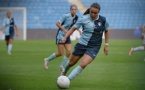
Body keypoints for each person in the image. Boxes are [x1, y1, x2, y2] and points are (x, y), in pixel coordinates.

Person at [61, 2, 109, 80]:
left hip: (94, 47)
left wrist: (106, 44)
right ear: (89, 11)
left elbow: (106, 31)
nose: (93, 14)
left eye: (95, 13)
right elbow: (73, 28)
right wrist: (65, 37)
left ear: (99, 12)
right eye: (91, 12)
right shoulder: (83, 18)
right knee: (71, 63)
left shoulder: (103, 20)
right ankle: (64, 72)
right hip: (82, 44)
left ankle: (67, 80)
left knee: (83, 64)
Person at [44, 5, 79, 73]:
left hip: (67, 35)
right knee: (60, 53)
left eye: (75, 9)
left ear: (76, 10)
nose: (73, 10)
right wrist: (64, 30)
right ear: (70, 10)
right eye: (72, 9)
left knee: (69, 52)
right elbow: (57, 23)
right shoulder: (65, 16)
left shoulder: (76, 17)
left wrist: (78, 30)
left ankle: (62, 66)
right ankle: (47, 59)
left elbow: (74, 25)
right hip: (61, 35)